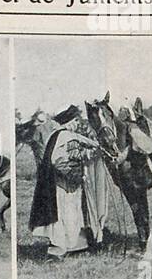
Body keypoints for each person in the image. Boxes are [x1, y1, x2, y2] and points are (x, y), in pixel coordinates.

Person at [29, 104, 109, 258]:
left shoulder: (58, 135)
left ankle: (75, 245)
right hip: (64, 185)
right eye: (76, 121)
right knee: (67, 215)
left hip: (62, 183)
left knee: (71, 214)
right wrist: (75, 176)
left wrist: (91, 152)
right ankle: (60, 248)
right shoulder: (65, 136)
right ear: (69, 121)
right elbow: (58, 160)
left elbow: (76, 153)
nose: (78, 124)